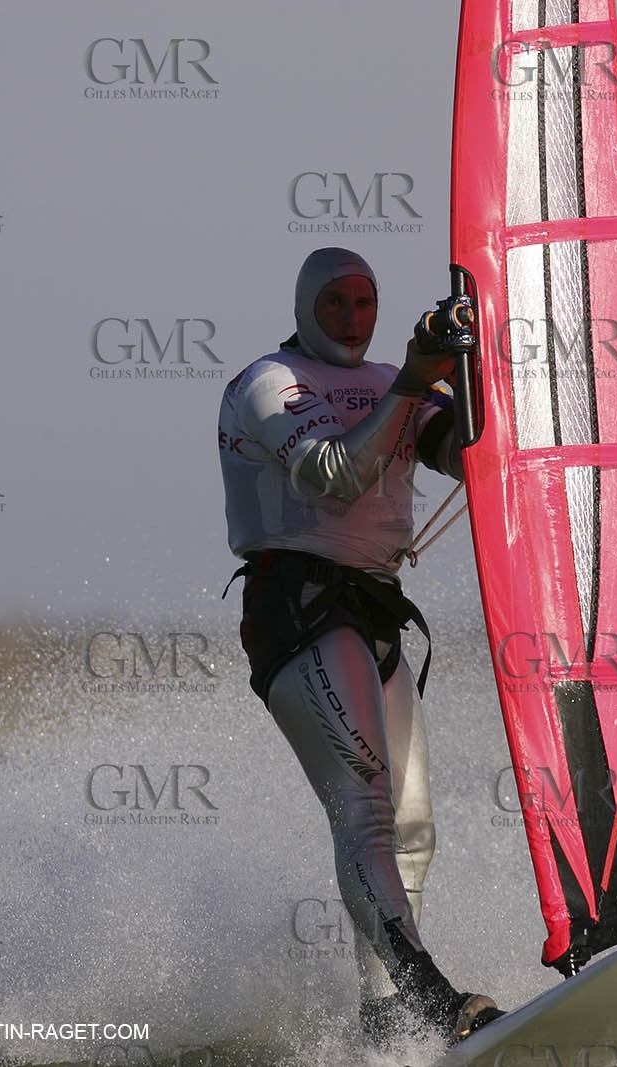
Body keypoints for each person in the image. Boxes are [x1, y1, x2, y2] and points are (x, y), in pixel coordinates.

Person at [218, 247, 502, 1047]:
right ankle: (437, 1002)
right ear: (306, 305)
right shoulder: (270, 382)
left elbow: (464, 453)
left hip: (373, 612)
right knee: (368, 815)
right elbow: (333, 474)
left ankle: (384, 1025)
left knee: (415, 828)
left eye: (365, 302)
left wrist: (477, 367)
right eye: (336, 303)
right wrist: (416, 378)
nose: (351, 318)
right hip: (299, 607)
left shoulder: (388, 380)